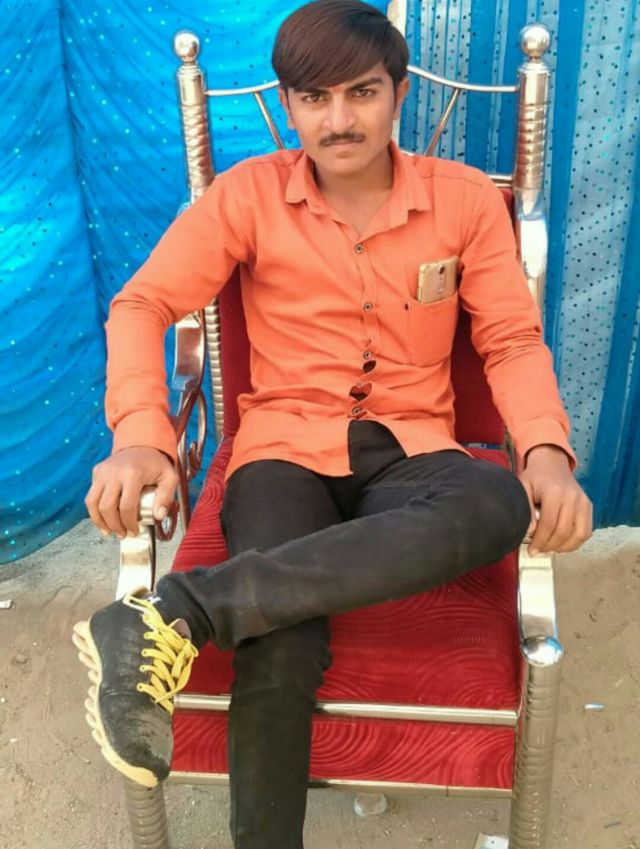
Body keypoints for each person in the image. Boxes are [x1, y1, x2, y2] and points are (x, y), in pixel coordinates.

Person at [73, 1, 592, 847]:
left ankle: (181, 609)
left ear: (397, 95)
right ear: (289, 103)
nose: (339, 119)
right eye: (314, 98)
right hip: (283, 449)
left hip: (414, 447)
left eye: (362, 92)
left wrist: (543, 449)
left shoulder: (463, 200)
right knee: (278, 643)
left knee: (495, 501)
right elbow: (143, 303)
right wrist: (140, 433)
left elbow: (510, 339)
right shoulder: (247, 195)